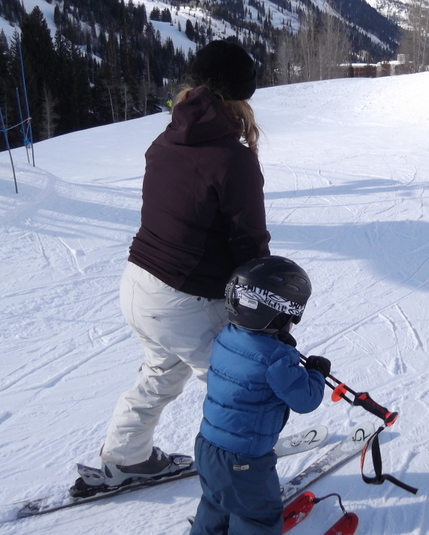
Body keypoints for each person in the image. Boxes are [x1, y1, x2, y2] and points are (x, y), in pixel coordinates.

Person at [81, 40, 271, 488]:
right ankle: (242, 481)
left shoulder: (165, 139)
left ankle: (125, 458)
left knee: (161, 372)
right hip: (183, 300)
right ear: (243, 96)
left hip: (138, 285)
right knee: (238, 388)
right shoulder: (234, 159)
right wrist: (265, 313)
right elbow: (250, 245)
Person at [190, 256, 330, 535]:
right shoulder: (277, 358)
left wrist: (276, 340)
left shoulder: (227, 335)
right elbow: (305, 400)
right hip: (244, 462)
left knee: (217, 502)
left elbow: (252, 359)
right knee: (258, 517)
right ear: (276, 315)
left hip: (206, 448)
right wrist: (316, 373)